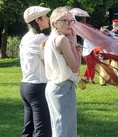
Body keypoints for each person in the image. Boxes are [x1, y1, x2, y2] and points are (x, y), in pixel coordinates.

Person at [42, 7, 81, 137]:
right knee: (63, 130)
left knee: (60, 127)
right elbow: (75, 67)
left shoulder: (51, 38)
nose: (70, 25)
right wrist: (74, 44)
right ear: (55, 23)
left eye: (72, 21)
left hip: (54, 86)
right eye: (65, 21)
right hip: (62, 87)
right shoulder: (62, 40)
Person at [19, 6, 52, 137]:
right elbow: (49, 63)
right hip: (38, 87)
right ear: (38, 20)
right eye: (45, 16)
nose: (48, 19)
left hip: (26, 86)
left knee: (28, 130)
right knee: (42, 131)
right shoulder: (39, 39)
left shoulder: (26, 37)